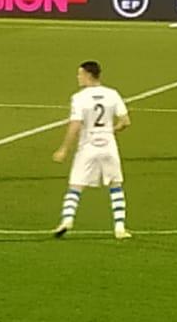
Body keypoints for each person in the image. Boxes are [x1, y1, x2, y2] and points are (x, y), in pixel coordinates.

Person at [52, 61, 131, 240]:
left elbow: (75, 125)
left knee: (76, 186)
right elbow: (125, 121)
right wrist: (112, 130)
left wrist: (64, 148)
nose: (78, 77)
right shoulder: (112, 94)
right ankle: (120, 227)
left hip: (88, 146)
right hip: (109, 145)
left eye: (80, 74)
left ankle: (67, 220)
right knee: (115, 185)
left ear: (88, 75)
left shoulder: (79, 98)